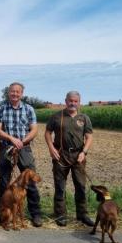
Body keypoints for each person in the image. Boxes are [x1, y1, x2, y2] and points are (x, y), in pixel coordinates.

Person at [0, 82, 43, 227]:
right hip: (6, 149)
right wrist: (11, 139)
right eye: (12, 91)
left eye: (17, 92)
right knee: (4, 182)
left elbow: (34, 130)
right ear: (8, 93)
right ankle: (2, 213)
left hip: (24, 149)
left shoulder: (29, 109)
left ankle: (36, 214)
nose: (14, 94)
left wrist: (22, 141)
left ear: (22, 93)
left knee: (31, 182)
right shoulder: (2, 108)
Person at [44, 91, 94, 227]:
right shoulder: (56, 116)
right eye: (70, 100)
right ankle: (60, 215)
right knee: (60, 186)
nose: (73, 103)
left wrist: (84, 152)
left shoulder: (84, 118)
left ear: (79, 102)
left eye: (75, 101)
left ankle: (82, 214)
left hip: (79, 156)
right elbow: (47, 132)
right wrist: (51, 148)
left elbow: (89, 136)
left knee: (81, 186)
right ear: (66, 101)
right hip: (61, 155)